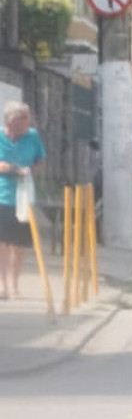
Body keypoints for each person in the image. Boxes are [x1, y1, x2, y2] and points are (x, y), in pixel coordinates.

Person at [0, 101, 46, 301]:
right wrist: (10, 169)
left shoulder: (32, 136)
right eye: (24, 119)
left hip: (24, 196)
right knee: (1, 243)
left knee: (18, 244)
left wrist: (30, 170)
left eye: (27, 119)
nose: (28, 122)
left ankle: (14, 286)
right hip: (2, 195)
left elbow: (40, 159)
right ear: (12, 122)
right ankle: (2, 285)